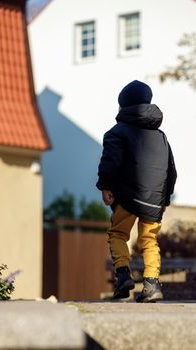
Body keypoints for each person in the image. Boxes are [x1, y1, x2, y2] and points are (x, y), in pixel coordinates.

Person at [96, 80, 177, 302]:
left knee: (118, 234)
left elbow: (110, 162)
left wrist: (105, 186)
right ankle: (152, 285)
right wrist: (165, 197)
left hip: (128, 197)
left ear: (122, 106)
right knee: (149, 241)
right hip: (154, 200)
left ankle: (123, 275)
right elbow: (171, 170)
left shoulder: (116, 132)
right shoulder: (161, 137)